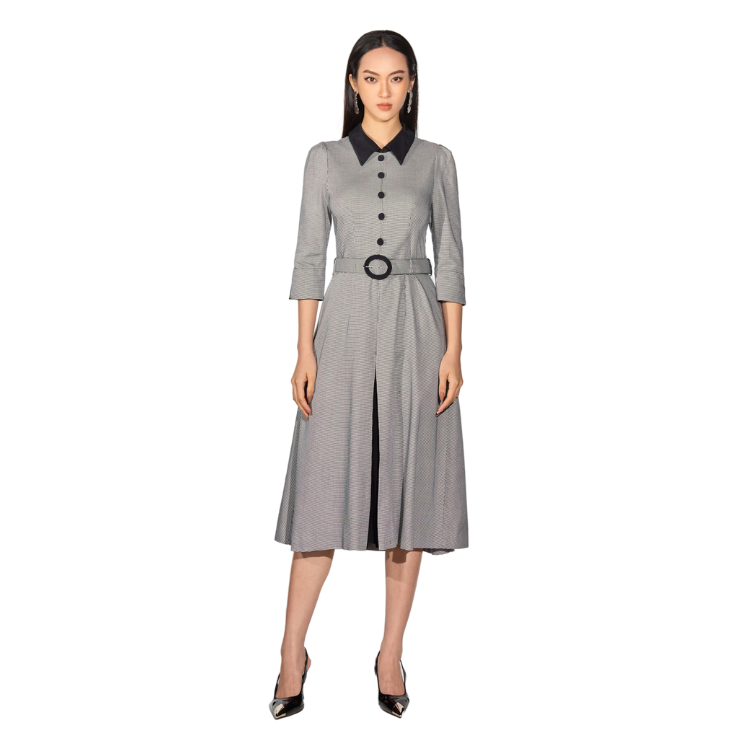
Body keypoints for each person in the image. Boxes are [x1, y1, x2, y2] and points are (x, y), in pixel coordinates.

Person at [269, 30, 469, 720]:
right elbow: (307, 257)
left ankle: (390, 655)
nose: (385, 91)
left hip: (416, 328)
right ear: (353, 84)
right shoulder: (324, 159)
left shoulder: (436, 160)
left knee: (408, 500)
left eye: (397, 77)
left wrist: (453, 351)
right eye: (372, 77)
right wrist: (304, 350)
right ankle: (291, 653)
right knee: (320, 499)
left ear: (411, 85)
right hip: (345, 324)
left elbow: (451, 259)